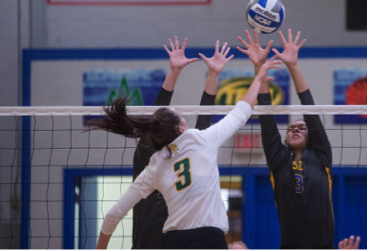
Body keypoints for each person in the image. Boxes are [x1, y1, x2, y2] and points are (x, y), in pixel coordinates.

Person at [93, 49, 281, 250]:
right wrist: (259, 77)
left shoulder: (155, 164)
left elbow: (113, 215)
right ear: (182, 129)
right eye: (183, 116)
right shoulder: (200, 140)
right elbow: (241, 112)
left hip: (172, 242)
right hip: (208, 239)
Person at [131, 37, 233, 250]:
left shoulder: (192, 153)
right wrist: (174, 72)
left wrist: (213, 74)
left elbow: (204, 120)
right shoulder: (149, 155)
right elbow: (156, 116)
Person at [237, 29, 335, 250]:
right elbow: (266, 115)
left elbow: (309, 108)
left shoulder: (321, 155)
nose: (296, 129)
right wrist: (259, 67)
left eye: (302, 127)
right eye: (291, 128)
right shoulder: (278, 158)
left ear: (312, 135)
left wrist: (293, 65)